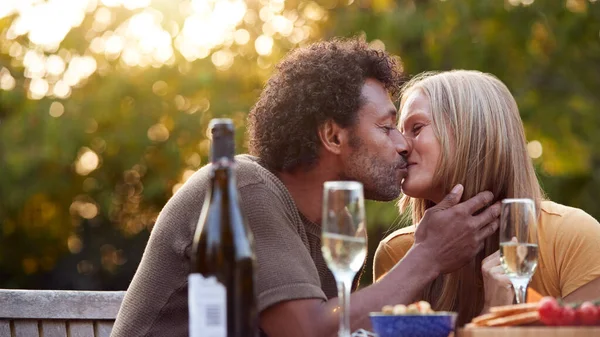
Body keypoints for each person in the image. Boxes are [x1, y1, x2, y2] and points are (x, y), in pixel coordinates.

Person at [111, 39, 500, 337]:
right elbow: (304, 331)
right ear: (332, 135)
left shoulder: (331, 222)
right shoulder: (243, 188)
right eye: (386, 127)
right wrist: (428, 256)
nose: (402, 144)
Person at [373, 70, 600, 326]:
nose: (401, 145)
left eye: (416, 128)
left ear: (472, 131)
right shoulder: (398, 255)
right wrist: (490, 318)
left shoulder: (573, 238)